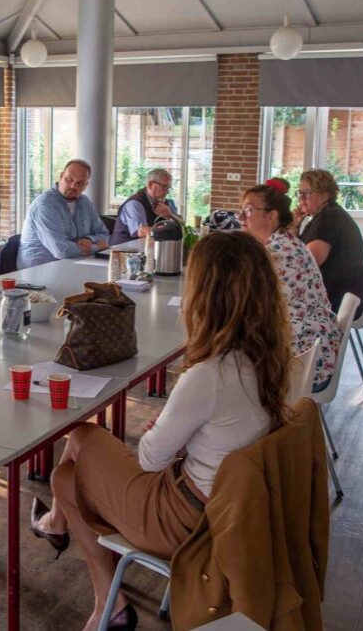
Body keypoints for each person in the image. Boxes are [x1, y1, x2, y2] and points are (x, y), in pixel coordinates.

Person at [28, 232, 293, 631]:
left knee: (76, 449)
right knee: (67, 472)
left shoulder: (211, 374)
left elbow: (150, 458)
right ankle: (77, 556)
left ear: (207, 295)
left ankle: (102, 592)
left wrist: (167, 425)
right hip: (227, 509)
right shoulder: (269, 358)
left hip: (185, 520)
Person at [240, 177, 341, 390]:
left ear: (271, 216)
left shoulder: (277, 254)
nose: (241, 217)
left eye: (249, 210)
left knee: (221, 364)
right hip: (313, 350)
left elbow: (242, 307)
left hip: (303, 363)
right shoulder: (286, 242)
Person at [294, 168, 363, 318]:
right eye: (300, 192)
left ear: (325, 193)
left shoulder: (329, 218)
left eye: (307, 193)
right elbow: (297, 253)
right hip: (342, 296)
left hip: (337, 300)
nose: (301, 198)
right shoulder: (324, 215)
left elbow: (306, 263)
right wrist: (295, 226)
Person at [17, 159, 109, 269]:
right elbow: (61, 251)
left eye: (80, 183)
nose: (73, 186)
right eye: (69, 179)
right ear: (61, 176)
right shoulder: (45, 204)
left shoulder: (85, 202)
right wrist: (97, 246)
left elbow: (105, 235)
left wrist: (89, 239)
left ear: (86, 185)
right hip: (39, 270)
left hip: (74, 264)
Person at [109, 168, 181, 245]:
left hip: (149, 250)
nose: (167, 192)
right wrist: (170, 232)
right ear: (150, 185)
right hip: (123, 252)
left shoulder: (167, 203)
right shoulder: (135, 203)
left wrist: (170, 215)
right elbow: (142, 231)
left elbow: (183, 227)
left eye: (168, 188)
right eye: (164, 187)